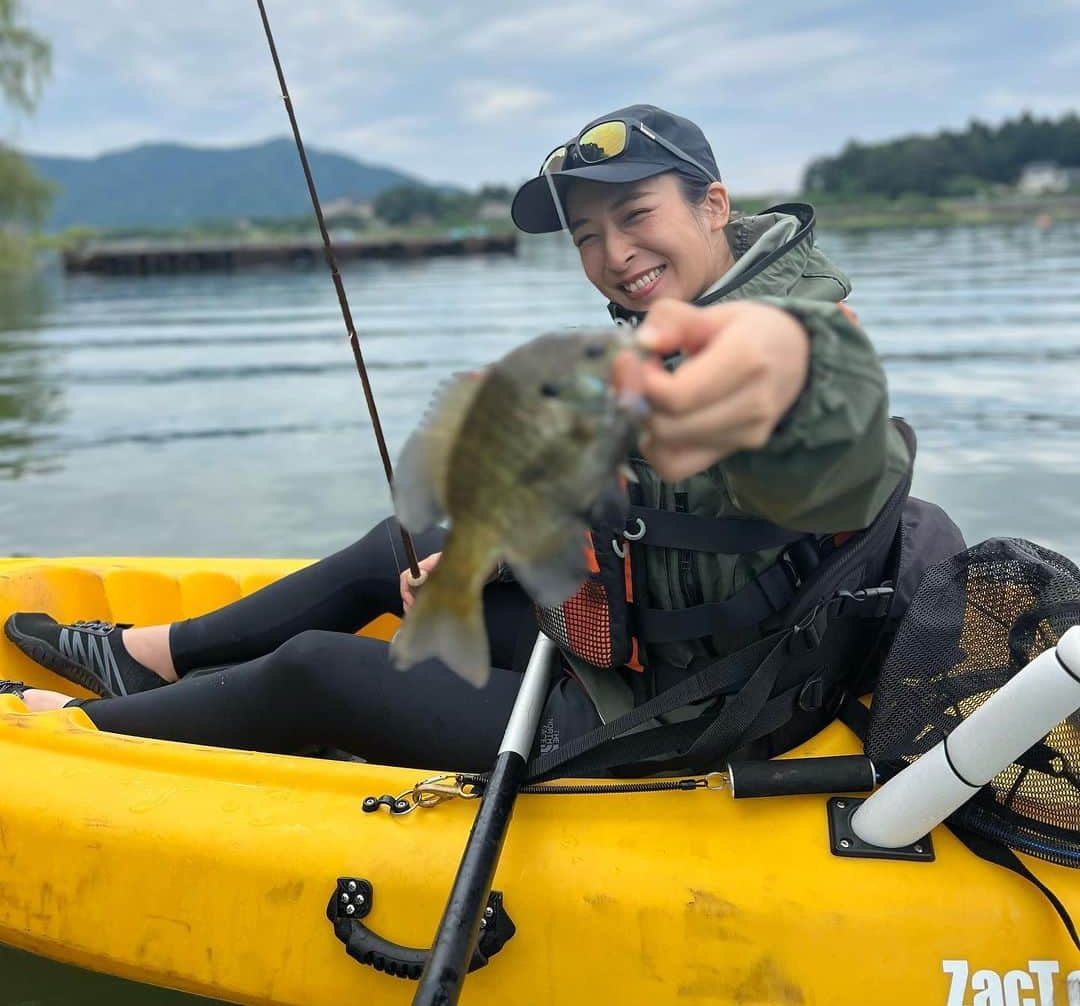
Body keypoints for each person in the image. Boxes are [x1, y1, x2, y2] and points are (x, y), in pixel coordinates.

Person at [1, 105, 961, 774]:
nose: (613, 256)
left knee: (316, 673)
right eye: (587, 235)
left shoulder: (788, 333)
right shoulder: (717, 304)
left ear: (714, 203)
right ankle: (153, 656)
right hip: (641, 655)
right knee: (403, 549)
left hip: (688, 706)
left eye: (636, 216)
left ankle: (89, 734)